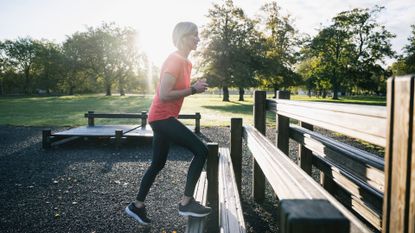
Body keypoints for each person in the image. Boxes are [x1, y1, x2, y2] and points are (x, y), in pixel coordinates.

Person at [125, 22, 211, 225]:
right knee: (201, 151)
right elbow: (164, 94)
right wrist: (193, 89)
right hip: (162, 117)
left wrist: (194, 87)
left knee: (157, 163)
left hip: (161, 117)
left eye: (198, 35)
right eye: (194, 35)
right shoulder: (174, 60)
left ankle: (136, 205)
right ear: (182, 37)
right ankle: (186, 203)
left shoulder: (186, 63)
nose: (198, 38)